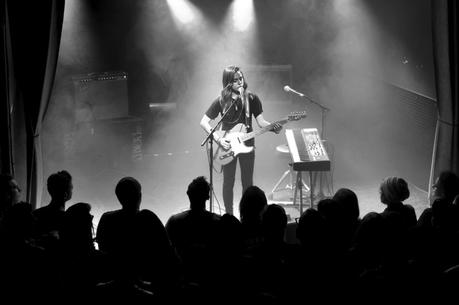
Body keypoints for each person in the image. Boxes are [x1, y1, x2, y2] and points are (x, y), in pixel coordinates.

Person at [200, 66, 282, 214]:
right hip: (227, 147)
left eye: (241, 78)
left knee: (248, 184)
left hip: (247, 145)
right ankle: (229, 216)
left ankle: (248, 215)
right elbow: (204, 122)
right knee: (228, 183)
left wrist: (272, 127)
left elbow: (261, 122)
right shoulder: (221, 100)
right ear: (228, 82)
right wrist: (218, 140)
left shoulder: (252, 98)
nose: (240, 82)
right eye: (236, 80)